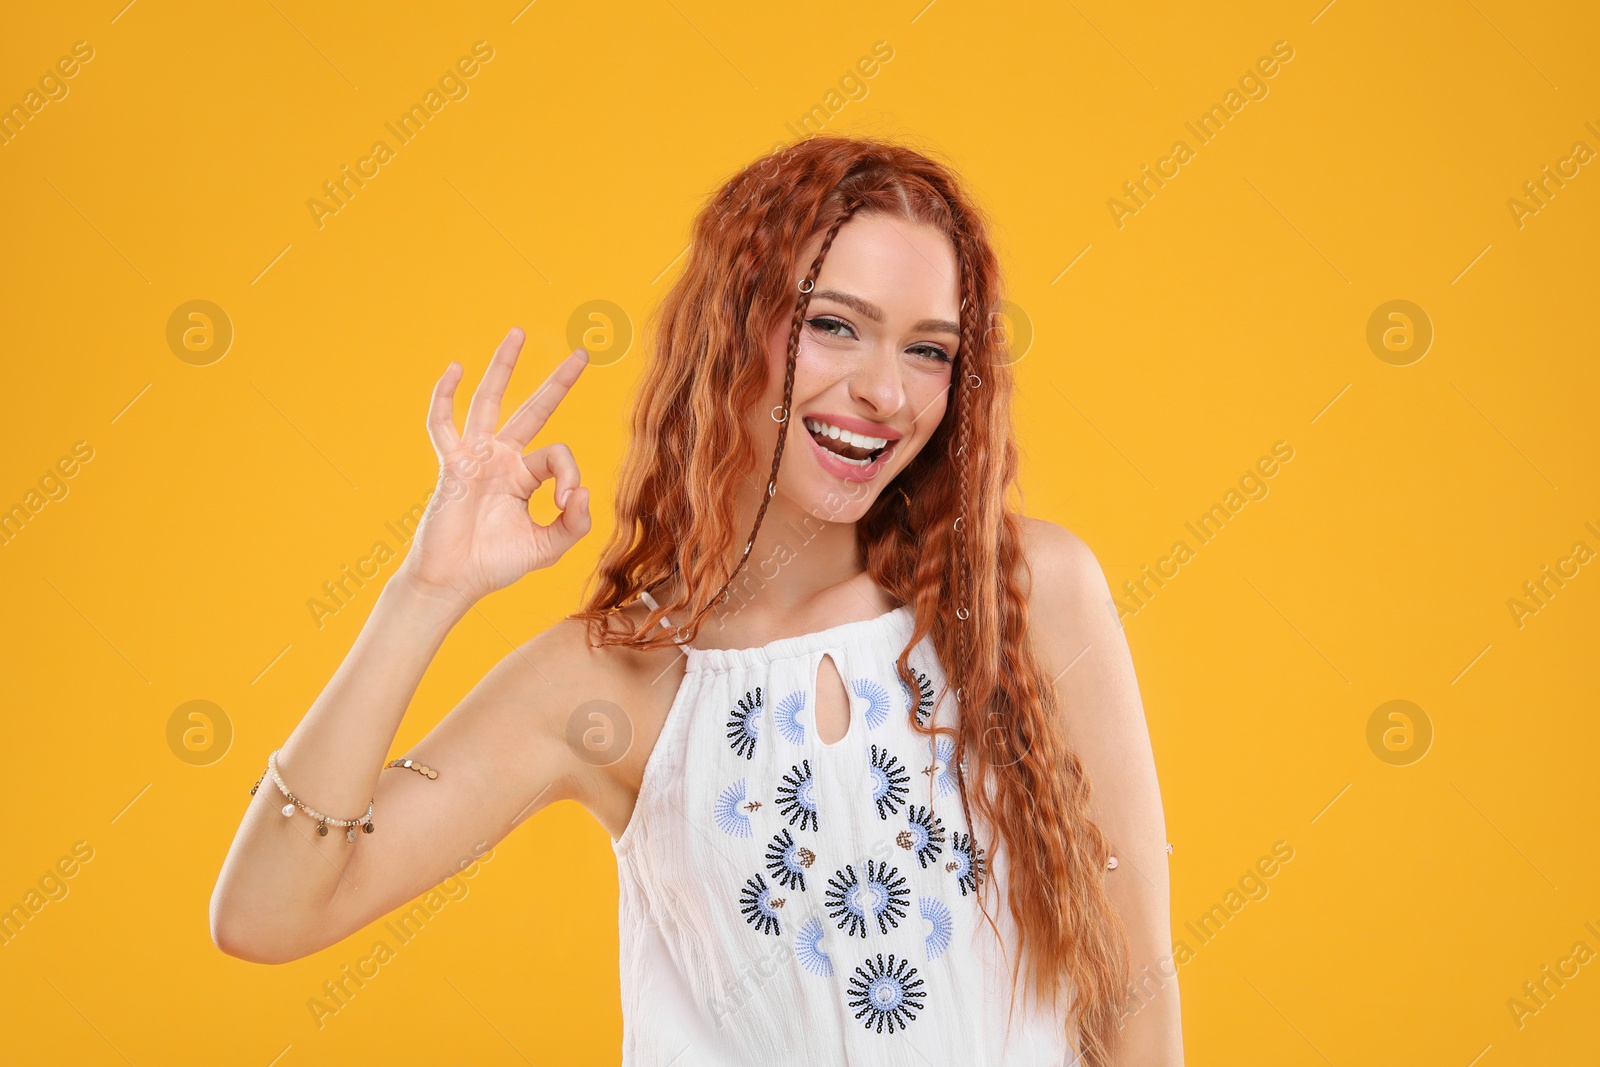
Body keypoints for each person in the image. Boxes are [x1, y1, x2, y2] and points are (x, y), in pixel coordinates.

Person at [210, 134, 1182, 1065]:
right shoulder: (612, 683)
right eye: (833, 325)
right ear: (734, 329)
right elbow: (267, 912)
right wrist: (425, 591)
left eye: (929, 350)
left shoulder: (1028, 593)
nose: (886, 391)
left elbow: (1134, 981)